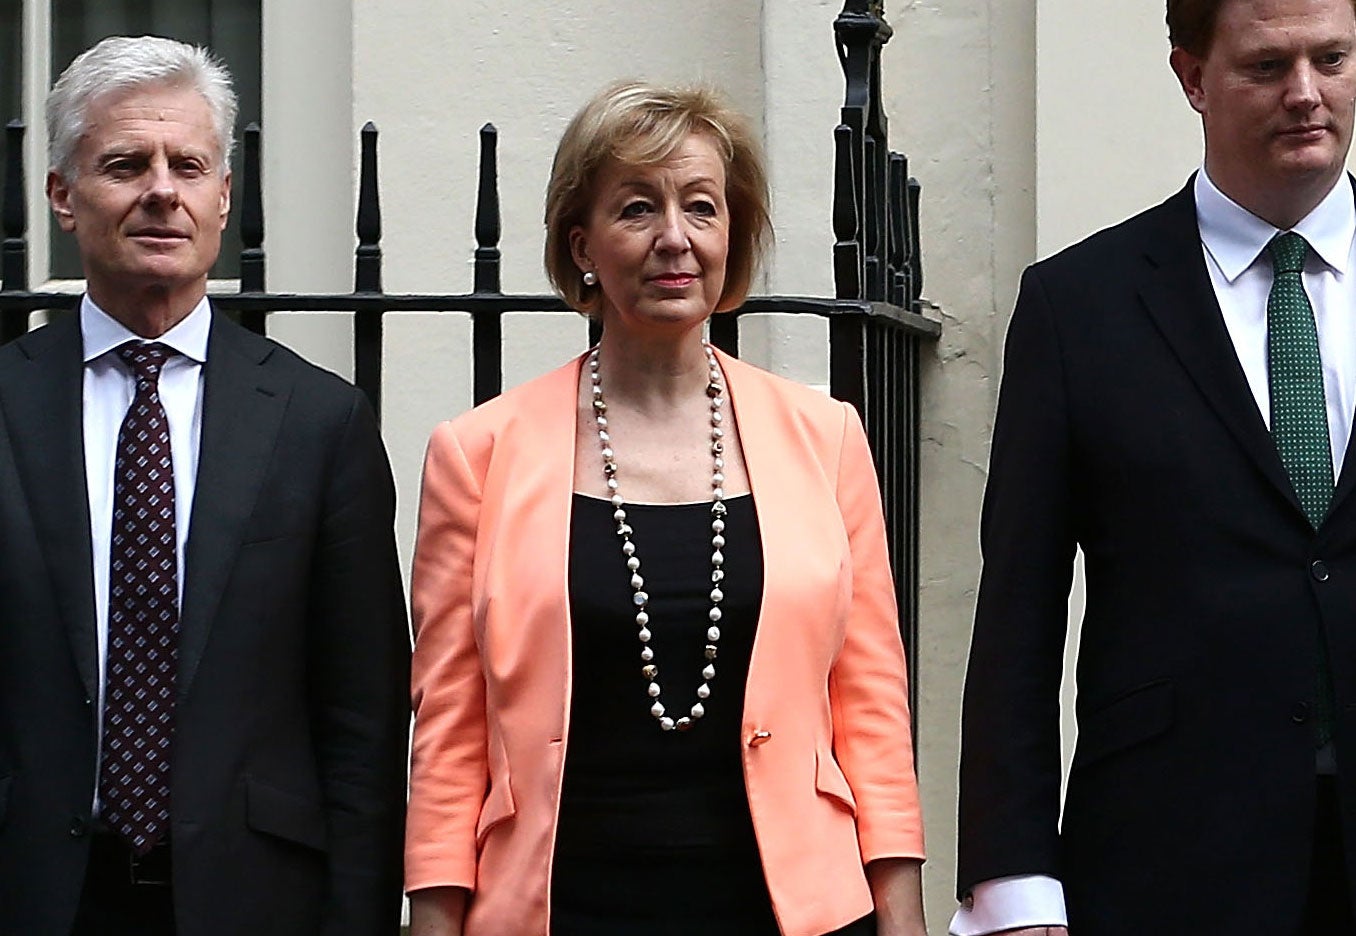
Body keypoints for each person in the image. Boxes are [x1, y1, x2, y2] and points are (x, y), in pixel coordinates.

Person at [404, 81, 927, 936]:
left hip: (791, 911)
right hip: (564, 906)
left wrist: (901, 918)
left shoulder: (825, 437)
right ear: (583, 244)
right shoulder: (477, 453)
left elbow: (870, 707)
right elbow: (450, 735)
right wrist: (434, 922)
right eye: (638, 208)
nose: (674, 239)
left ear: (732, 238)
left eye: (702, 208)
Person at [954, 0, 1356, 933]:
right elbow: (1017, 614)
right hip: (1173, 861)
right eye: (1266, 66)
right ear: (1191, 77)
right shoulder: (1077, 306)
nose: (1306, 94)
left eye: (1331, 58)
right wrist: (1012, 882)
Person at [0, 36, 410, 935]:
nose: (161, 189)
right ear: (63, 196)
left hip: (257, 898)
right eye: (123, 164)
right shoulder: (8, 401)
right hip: (35, 892)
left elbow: (364, 726)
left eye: (189, 164)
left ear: (224, 196)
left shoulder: (317, 422)